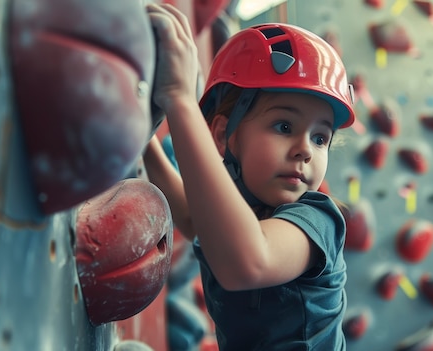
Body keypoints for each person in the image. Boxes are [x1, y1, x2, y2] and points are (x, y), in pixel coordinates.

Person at [144, 3, 356, 350]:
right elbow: (192, 216)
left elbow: (246, 262)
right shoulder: (245, 204)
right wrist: (144, 143)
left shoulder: (317, 221)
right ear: (224, 135)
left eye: (320, 138)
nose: (306, 150)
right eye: (284, 126)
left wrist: (180, 99)